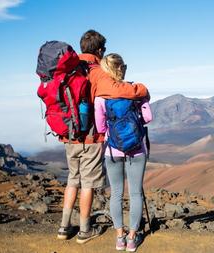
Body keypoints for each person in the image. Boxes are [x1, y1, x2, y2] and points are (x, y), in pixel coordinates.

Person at [57, 30, 149, 244]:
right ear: (99, 50)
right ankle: (84, 230)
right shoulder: (97, 71)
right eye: (103, 50)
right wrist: (142, 88)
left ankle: (63, 227)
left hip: (69, 133)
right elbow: (120, 90)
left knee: (73, 179)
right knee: (88, 183)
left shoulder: (68, 68)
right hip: (89, 136)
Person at [95, 53, 152, 252]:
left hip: (113, 151)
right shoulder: (136, 92)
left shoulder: (101, 97)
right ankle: (132, 238)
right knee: (136, 193)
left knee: (116, 194)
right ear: (122, 68)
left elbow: (100, 128)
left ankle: (119, 237)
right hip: (137, 151)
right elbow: (148, 117)